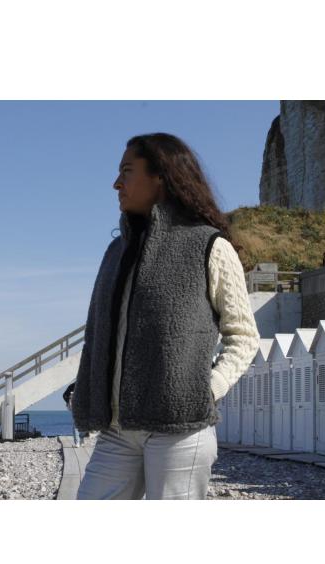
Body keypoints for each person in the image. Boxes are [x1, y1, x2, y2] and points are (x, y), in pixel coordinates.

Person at [71, 132, 261, 500]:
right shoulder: (116, 252)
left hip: (180, 431)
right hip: (116, 430)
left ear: (160, 176)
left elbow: (243, 336)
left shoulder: (209, 246)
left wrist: (206, 390)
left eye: (127, 171)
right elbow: (98, 338)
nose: (116, 183)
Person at [63, 382, 87, 447]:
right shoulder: (72, 386)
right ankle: (77, 442)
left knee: (85, 424)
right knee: (76, 424)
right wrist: (68, 401)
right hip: (75, 407)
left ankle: (81, 438)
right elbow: (64, 395)